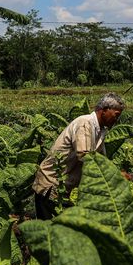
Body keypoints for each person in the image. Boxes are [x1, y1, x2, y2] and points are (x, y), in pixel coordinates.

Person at [31, 92, 124, 220]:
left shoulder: (101, 130)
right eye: (116, 115)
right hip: (51, 184)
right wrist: (111, 177)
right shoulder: (84, 124)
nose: (116, 119)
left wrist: (117, 175)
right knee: (48, 233)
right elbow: (85, 156)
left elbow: (102, 160)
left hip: (65, 188)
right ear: (104, 110)